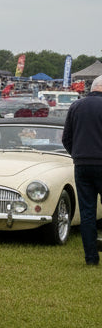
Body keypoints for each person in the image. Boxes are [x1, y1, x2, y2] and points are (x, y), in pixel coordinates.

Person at [63, 76, 102, 266]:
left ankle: (91, 258)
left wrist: (76, 155)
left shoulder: (76, 106)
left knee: (87, 212)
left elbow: (66, 138)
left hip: (82, 164)